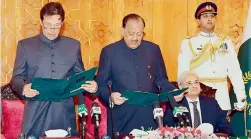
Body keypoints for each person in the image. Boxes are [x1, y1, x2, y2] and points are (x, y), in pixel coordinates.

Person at [10, 2, 98, 137]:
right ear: (41, 22)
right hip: (35, 111)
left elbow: (80, 77)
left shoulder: (73, 45)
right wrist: (24, 88)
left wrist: (92, 86)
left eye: (57, 26)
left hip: (64, 113)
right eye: (48, 26)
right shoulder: (25, 46)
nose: (52, 30)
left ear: (62, 23)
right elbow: (16, 78)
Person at [95, 13, 183, 136]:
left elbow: (161, 79)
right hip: (122, 116)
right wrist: (111, 97)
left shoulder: (153, 50)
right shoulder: (109, 52)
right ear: (123, 30)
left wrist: (173, 91)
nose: (135, 38)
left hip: (150, 116)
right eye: (131, 34)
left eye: (139, 34)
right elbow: (101, 85)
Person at [177, 2, 246, 111]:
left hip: (222, 98)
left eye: (212, 16)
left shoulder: (225, 42)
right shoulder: (189, 43)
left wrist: (241, 96)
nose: (209, 19)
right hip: (199, 97)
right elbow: (182, 73)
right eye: (205, 16)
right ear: (198, 21)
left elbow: (234, 71)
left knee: (223, 128)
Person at [164, 71, 234, 136]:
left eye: (196, 82)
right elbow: (168, 129)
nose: (194, 86)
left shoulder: (211, 103)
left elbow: (226, 128)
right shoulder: (174, 105)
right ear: (180, 86)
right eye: (189, 83)